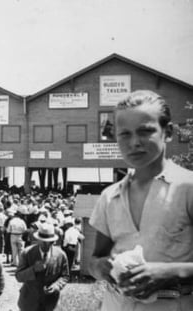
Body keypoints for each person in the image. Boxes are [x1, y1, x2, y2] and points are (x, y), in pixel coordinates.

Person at [88, 90, 193, 310]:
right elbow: (94, 260)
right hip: (115, 303)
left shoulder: (187, 188)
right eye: (124, 134)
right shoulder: (110, 196)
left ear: (168, 132)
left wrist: (167, 272)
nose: (134, 142)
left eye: (145, 131)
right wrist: (101, 267)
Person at [15, 222, 69, 311]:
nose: (46, 245)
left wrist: (56, 286)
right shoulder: (27, 253)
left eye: (49, 243)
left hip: (49, 303)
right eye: (43, 242)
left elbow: (65, 276)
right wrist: (33, 269)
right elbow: (18, 277)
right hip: (29, 302)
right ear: (37, 239)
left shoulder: (61, 255)